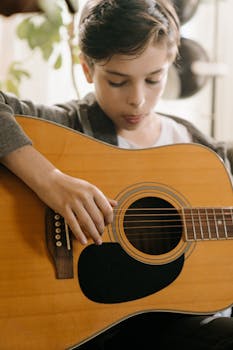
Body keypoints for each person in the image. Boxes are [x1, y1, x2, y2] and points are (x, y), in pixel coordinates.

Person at [0, 0, 232, 349]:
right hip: (82, 328)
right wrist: (50, 181)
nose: (137, 99)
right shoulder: (70, 127)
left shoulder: (198, 150)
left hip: (173, 329)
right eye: (118, 81)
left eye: (154, 79)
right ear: (87, 70)